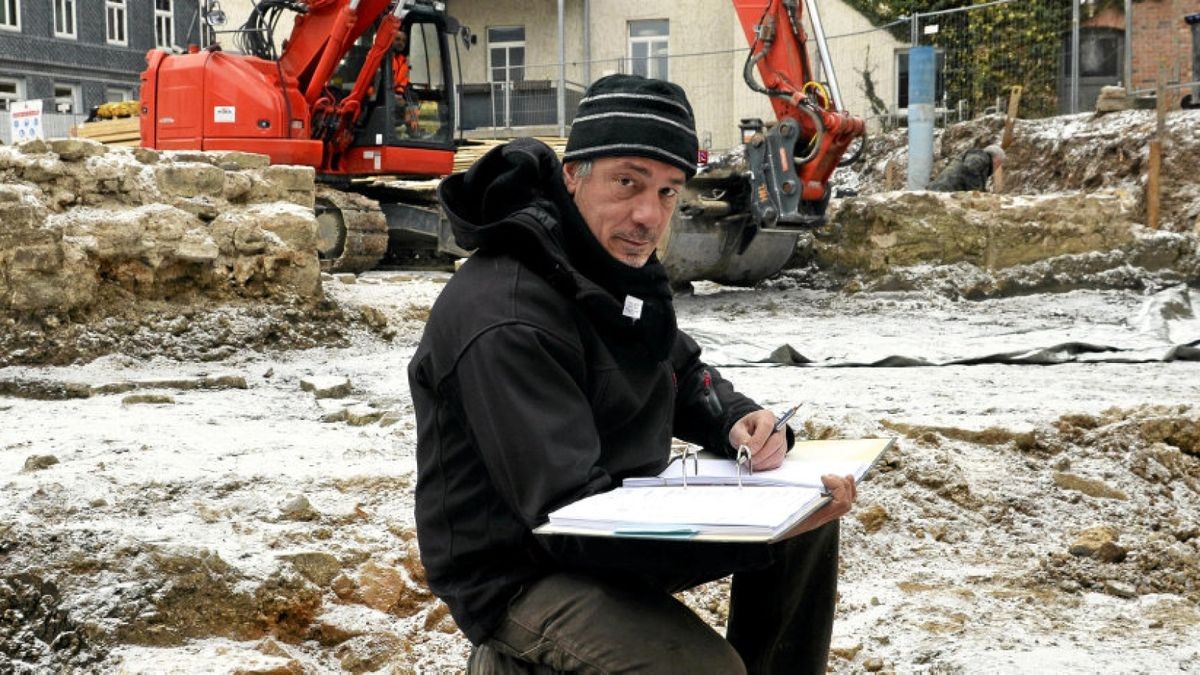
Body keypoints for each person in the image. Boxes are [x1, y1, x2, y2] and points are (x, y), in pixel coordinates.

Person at [408, 74, 858, 674]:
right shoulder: (509, 316)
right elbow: (570, 521)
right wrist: (756, 536)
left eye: (669, 192)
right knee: (702, 670)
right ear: (575, 175)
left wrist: (734, 420)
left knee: (805, 522)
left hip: (612, 520)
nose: (648, 215)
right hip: (524, 570)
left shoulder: (604, 266)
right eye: (628, 182)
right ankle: (508, 662)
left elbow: (675, 365)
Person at [928, 144, 1005, 192]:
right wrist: (977, 192)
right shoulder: (981, 156)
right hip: (943, 191)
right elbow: (970, 168)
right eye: (999, 164)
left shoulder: (983, 162)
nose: (998, 168)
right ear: (996, 160)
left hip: (942, 190)